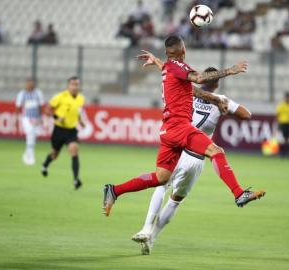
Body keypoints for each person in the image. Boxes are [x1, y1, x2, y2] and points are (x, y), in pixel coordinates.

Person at [102, 36, 265, 219]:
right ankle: (238, 193)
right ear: (183, 51)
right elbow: (200, 78)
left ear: (167, 53)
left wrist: (156, 60)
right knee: (216, 151)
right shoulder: (179, 66)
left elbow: (177, 76)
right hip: (180, 126)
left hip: (167, 130)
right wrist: (230, 70)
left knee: (161, 178)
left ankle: (114, 190)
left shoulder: (167, 68)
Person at [132, 65, 252, 255]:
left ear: (203, 79)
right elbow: (247, 115)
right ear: (217, 84)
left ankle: (146, 229)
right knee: (175, 200)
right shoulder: (221, 100)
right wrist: (227, 108)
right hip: (197, 159)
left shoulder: (188, 92)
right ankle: (153, 238)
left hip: (180, 148)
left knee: (161, 186)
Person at [41, 76, 85, 190]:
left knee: (74, 149)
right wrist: (56, 117)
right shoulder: (60, 97)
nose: (75, 86)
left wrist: (80, 120)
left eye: (77, 84)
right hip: (59, 130)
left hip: (71, 130)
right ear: (68, 85)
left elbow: (77, 111)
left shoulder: (81, 98)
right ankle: (45, 165)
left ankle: (76, 180)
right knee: (54, 154)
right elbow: (47, 109)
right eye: (73, 84)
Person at [15, 78, 44, 165]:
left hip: (36, 118)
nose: (30, 85)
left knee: (34, 135)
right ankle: (30, 155)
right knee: (30, 133)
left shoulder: (38, 93)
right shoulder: (22, 94)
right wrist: (16, 118)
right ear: (26, 84)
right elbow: (18, 107)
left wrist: (40, 117)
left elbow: (40, 106)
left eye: (31, 83)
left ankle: (26, 153)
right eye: (28, 83)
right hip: (26, 118)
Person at [276, 92, 289, 157]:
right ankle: (283, 153)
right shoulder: (281, 105)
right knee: (283, 140)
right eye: (287, 98)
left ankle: (287, 152)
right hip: (282, 124)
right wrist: (278, 126)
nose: (288, 99)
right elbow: (277, 115)